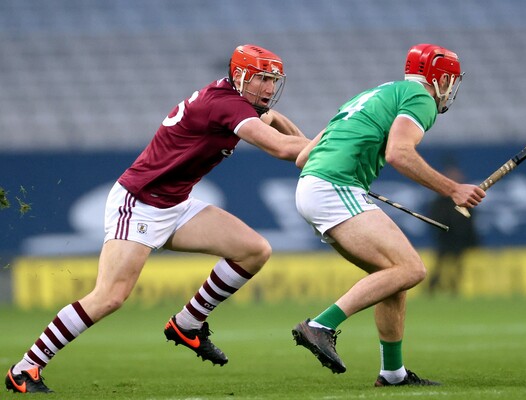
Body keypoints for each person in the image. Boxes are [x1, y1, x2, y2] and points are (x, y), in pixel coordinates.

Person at [5, 44, 310, 394]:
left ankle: (187, 323)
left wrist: (309, 145)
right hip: (139, 203)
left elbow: (275, 122)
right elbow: (283, 149)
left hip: (175, 204)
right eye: (262, 79)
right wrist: (331, 144)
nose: (270, 88)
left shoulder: (239, 101)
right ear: (240, 76)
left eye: (274, 80)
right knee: (110, 296)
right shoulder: (226, 105)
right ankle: (25, 368)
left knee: (254, 250)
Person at [291, 43, 486, 387]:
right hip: (334, 188)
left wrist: (354, 166)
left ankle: (393, 374)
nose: (451, 88)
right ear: (437, 78)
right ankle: (321, 325)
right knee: (411, 268)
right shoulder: (420, 97)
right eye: (450, 80)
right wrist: (453, 189)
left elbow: (304, 157)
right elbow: (398, 152)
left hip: (316, 186)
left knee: (393, 276)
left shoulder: (370, 95)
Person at [427, 160, 480, 296]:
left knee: (457, 264)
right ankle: (432, 287)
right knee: (441, 263)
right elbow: (434, 216)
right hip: (445, 237)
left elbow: (470, 219)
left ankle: (454, 287)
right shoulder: (440, 199)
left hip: (459, 238)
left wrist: (470, 236)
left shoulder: (465, 198)